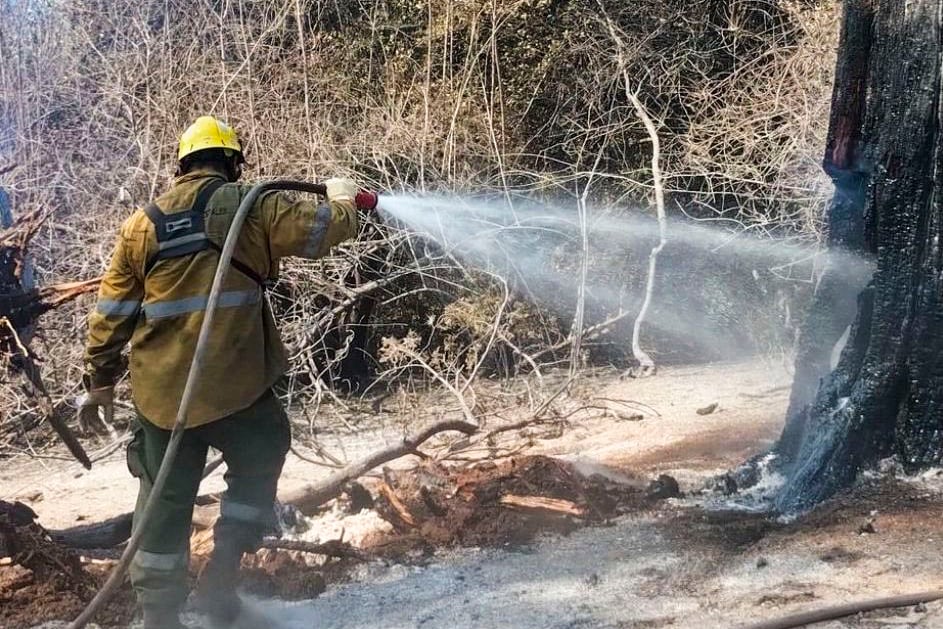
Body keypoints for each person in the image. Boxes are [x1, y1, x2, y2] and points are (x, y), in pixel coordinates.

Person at [79, 115, 376, 628]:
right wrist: (345, 199)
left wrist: (99, 383)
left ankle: (159, 617)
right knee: (262, 452)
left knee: (162, 503)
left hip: (162, 396)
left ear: (182, 165)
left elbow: (111, 314)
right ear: (232, 161)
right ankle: (221, 575)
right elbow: (323, 229)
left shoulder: (141, 225)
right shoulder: (252, 204)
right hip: (237, 386)